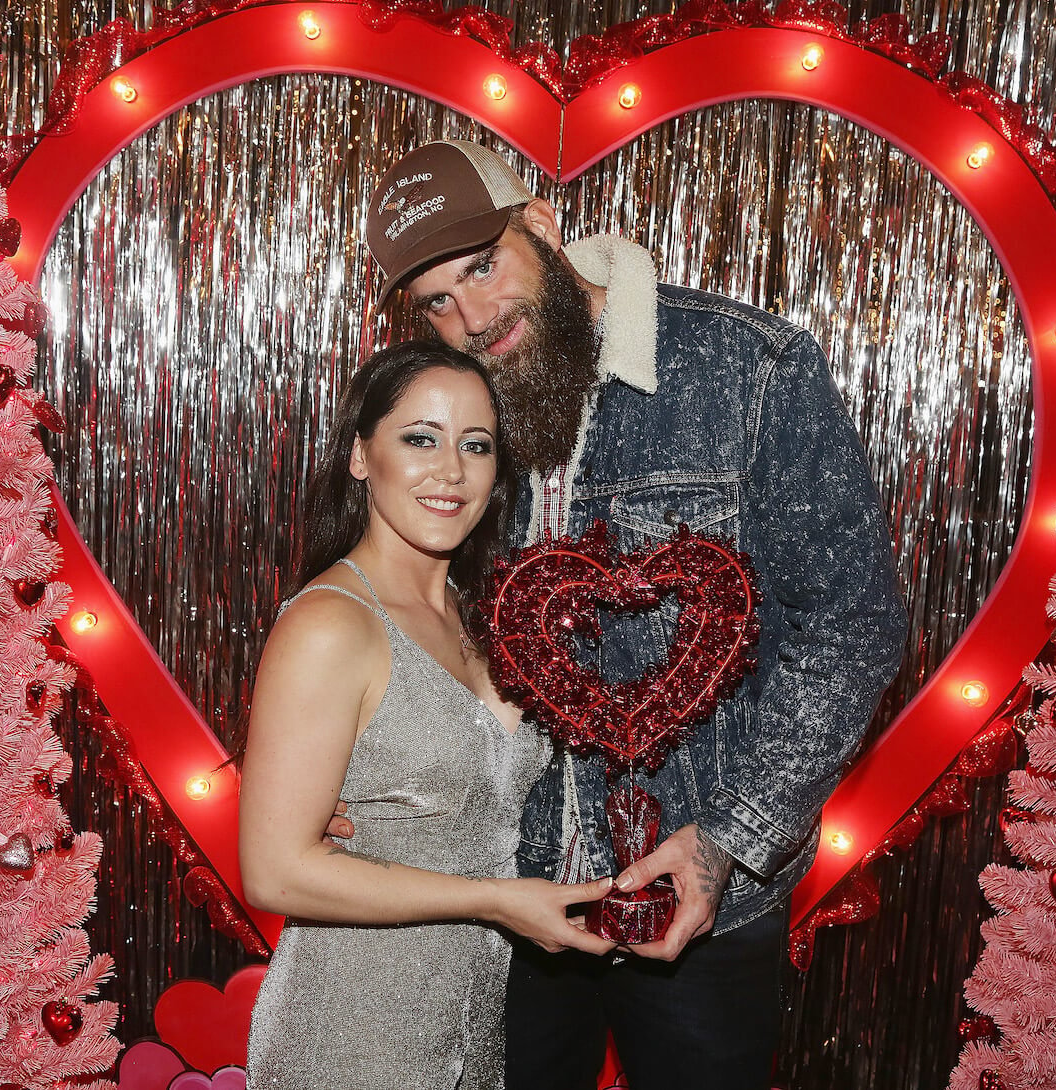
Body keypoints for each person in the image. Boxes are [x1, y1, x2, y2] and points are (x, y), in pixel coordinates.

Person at [348, 140, 909, 1090]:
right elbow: (400, 601)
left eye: (483, 266)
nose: (473, 319)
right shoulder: (450, 402)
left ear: (542, 223)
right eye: (438, 299)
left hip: (703, 910)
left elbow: (854, 621)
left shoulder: (749, 369)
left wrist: (733, 834)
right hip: (504, 897)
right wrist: (348, 773)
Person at [239, 340, 616, 1090]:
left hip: (472, 1037)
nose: (451, 470)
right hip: (352, 1037)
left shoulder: (489, 617)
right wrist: (493, 900)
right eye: (420, 438)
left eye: (476, 446)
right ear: (360, 455)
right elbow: (274, 873)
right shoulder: (330, 624)